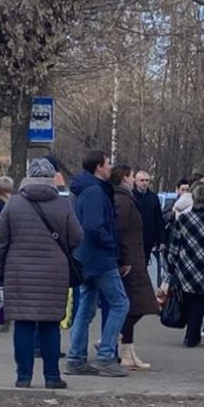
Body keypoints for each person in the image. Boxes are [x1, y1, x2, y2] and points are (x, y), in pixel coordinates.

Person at [0, 158, 83, 389]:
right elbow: (77, 236)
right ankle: (52, 377)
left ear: (28, 176)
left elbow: (0, 240)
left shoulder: (14, 204)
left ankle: (23, 376)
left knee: (23, 324)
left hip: (18, 272)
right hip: (54, 273)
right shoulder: (63, 205)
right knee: (50, 325)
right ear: (52, 177)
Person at [66, 150, 131, 377]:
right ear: (99, 167)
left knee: (86, 307)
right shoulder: (95, 191)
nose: (110, 167)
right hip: (99, 257)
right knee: (120, 303)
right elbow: (94, 226)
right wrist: (112, 245)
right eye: (108, 163)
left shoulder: (82, 188)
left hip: (84, 256)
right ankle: (105, 356)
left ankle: (75, 358)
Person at [167, 184, 204, 348]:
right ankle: (193, 335)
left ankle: (189, 332)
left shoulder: (183, 220)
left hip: (186, 266)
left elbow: (175, 243)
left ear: (193, 199)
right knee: (200, 301)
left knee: (187, 299)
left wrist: (172, 261)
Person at [111, 165, 158, 370]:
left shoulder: (126, 198)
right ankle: (115, 338)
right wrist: (123, 259)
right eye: (132, 177)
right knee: (139, 304)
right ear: (125, 178)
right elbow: (119, 231)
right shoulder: (123, 200)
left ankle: (127, 351)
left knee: (135, 305)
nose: (135, 181)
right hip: (131, 260)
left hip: (135, 257)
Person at [132, 170, 164, 270]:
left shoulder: (153, 198)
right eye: (142, 180)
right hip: (134, 238)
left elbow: (159, 219)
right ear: (136, 182)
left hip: (148, 238)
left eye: (147, 180)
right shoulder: (131, 196)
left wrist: (161, 240)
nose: (144, 183)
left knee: (144, 266)